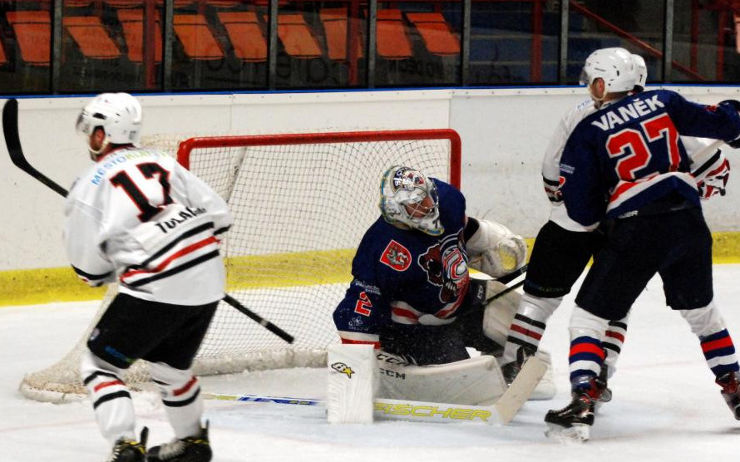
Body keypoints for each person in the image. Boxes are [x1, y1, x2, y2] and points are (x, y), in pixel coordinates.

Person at [500, 49, 731, 404]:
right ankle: (601, 372)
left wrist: (570, 210)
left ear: (604, 82)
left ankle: (514, 364)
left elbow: (552, 173)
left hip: (577, 224)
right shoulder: (662, 107)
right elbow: (714, 170)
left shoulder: (580, 120)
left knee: (541, 299)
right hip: (631, 224)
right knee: (614, 305)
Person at [65, 93, 232, 461]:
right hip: (208, 278)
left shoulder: (88, 184)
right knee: (170, 367)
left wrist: (109, 268)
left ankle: (125, 445)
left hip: (156, 284)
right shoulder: (161, 160)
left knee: (99, 364)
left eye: (92, 131)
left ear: (100, 135)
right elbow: (219, 215)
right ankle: (192, 442)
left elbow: (87, 270)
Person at [332, 165, 532, 405]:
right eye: (417, 205)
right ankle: (402, 353)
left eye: (427, 196)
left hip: (460, 300)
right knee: (464, 383)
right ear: (397, 210)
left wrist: (491, 243)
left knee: (515, 312)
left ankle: (509, 365)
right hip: (420, 330)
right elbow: (361, 304)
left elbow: (464, 230)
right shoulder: (381, 248)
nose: (428, 206)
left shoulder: (446, 200)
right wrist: (362, 361)